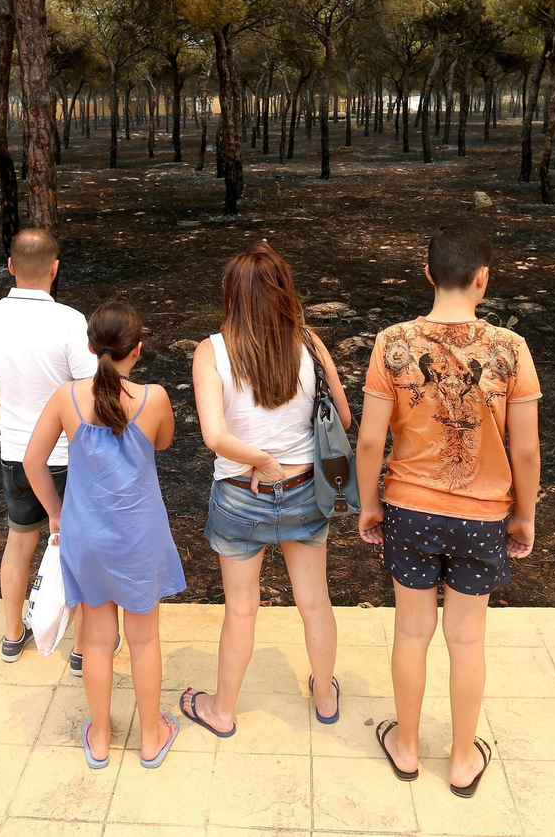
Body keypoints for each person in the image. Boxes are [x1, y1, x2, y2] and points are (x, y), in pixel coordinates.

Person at [355, 220, 541, 797]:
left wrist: (369, 505)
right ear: (483, 279)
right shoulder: (510, 349)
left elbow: (368, 441)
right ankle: (463, 760)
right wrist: (524, 515)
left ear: (429, 273)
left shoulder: (393, 343)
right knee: (467, 639)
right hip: (483, 517)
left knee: (411, 633)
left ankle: (406, 748)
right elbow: (527, 447)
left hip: (409, 510)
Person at [179, 241, 353, 739]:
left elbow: (215, 436)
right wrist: (281, 458)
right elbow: (341, 417)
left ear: (231, 295)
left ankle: (222, 710)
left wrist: (260, 461)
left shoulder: (210, 351)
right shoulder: (311, 344)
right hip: (307, 490)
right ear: (283, 291)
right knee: (315, 600)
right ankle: (324, 697)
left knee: (241, 608)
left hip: (239, 494)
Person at [23, 303, 185, 769]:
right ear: (137, 349)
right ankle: (151, 737)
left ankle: (99, 739)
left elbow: (33, 462)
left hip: (86, 536)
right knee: (144, 640)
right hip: (139, 535)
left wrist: (56, 514)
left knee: (95, 641)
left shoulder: (65, 397)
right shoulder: (154, 398)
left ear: (91, 347)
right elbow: (163, 442)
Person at [0, 228, 99, 669]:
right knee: (76, 546)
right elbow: (91, 389)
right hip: (68, 456)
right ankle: (82, 648)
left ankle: (12, 635)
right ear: (55, 268)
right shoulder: (69, 321)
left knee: (19, 542)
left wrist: (9, 422)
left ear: (10, 266)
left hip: (16, 453)